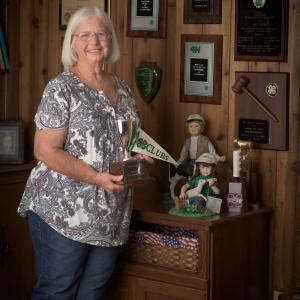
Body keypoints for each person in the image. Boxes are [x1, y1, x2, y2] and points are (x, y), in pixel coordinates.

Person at [17, 6, 152, 300]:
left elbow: (128, 143)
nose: (94, 41)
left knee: (93, 293)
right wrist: (96, 177)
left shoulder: (123, 89)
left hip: (110, 214)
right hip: (62, 212)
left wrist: (139, 159)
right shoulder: (61, 88)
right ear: (73, 42)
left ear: (111, 40)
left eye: (101, 33)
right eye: (85, 34)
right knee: (58, 292)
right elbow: (45, 151)